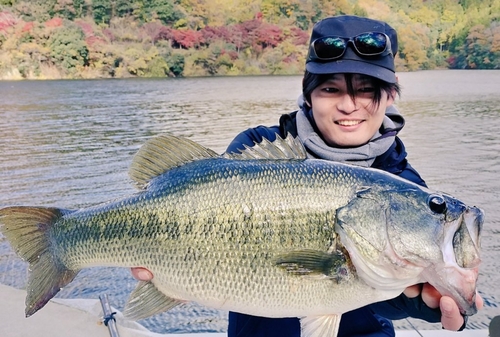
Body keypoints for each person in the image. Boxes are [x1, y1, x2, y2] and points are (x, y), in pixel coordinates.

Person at [131, 15, 482, 337]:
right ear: (308, 93)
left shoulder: (403, 181)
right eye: (331, 89)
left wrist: (423, 300)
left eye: (365, 89)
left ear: (390, 93)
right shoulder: (258, 147)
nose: (349, 105)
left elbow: (376, 292)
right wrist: (172, 274)